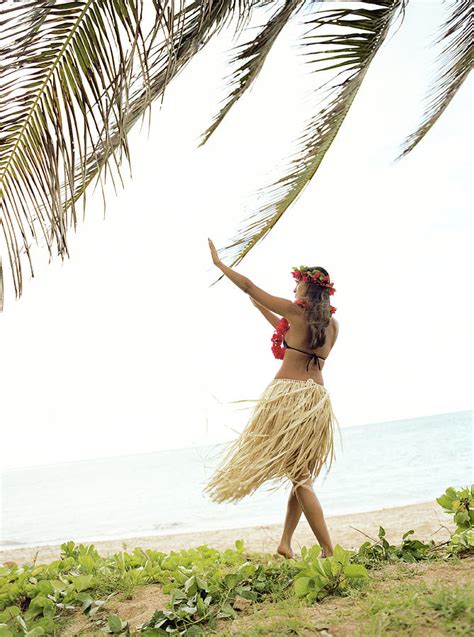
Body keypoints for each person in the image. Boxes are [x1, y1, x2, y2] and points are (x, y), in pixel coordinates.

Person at [204, 238, 341, 558]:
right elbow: (288, 331)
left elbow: (250, 286)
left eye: (297, 287)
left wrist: (220, 265)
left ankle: (328, 549)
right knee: (300, 473)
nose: (294, 292)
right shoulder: (332, 326)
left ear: (306, 291)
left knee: (301, 477)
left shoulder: (296, 312)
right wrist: (261, 308)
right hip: (316, 402)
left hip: (289, 400)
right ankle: (286, 543)